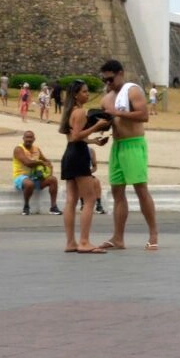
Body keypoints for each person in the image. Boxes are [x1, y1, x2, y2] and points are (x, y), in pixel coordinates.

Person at [98, 58, 159, 250]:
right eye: (105, 80)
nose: (108, 84)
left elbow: (143, 115)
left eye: (110, 79)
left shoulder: (133, 90)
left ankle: (153, 234)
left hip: (133, 144)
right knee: (117, 192)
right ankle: (118, 237)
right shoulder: (106, 98)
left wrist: (118, 113)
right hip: (117, 146)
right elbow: (108, 121)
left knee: (141, 189)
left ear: (121, 74)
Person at [58, 79, 111, 253]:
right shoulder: (80, 112)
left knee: (71, 200)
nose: (87, 94)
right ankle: (84, 241)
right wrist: (97, 125)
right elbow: (76, 136)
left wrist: (93, 141)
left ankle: (70, 242)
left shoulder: (69, 112)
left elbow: (74, 138)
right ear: (76, 94)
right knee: (89, 199)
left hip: (69, 153)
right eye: (84, 92)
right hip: (78, 155)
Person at [12, 130, 61, 215]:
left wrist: (48, 173)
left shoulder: (36, 149)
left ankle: (53, 207)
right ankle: (26, 207)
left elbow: (47, 162)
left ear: (34, 139)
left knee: (53, 180)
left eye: (31, 137)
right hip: (20, 177)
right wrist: (40, 163)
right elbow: (27, 163)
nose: (29, 139)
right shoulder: (18, 149)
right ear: (23, 138)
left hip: (34, 177)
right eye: (27, 137)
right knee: (29, 184)